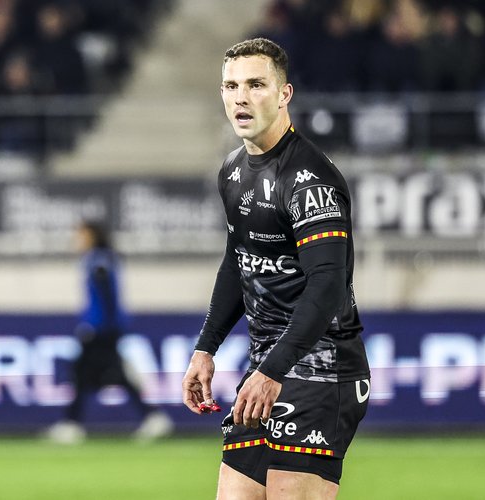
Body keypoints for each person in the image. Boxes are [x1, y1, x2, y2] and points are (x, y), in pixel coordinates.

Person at [181, 38, 371, 499]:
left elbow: (327, 285)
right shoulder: (232, 172)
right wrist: (205, 348)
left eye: (256, 85)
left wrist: (272, 371)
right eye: (231, 86)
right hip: (266, 367)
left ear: (284, 94)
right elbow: (238, 263)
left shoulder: (310, 180)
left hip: (322, 370)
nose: (241, 98)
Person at [47, 221, 173, 444]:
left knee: (86, 374)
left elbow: (106, 297)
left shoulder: (98, 260)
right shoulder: (103, 258)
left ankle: (72, 424)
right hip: (104, 328)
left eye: (81, 235)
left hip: (100, 330)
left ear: (92, 236)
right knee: (102, 375)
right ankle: (152, 417)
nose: (76, 240)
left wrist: (99, 326)